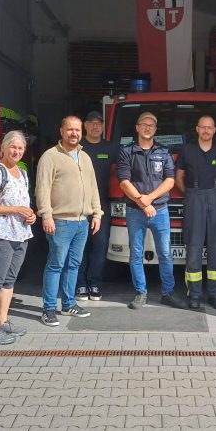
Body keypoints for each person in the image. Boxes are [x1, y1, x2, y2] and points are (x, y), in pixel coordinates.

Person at [35, 116, 103, 326]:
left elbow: (93, 187)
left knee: (73, 264)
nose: (74, 133)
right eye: (70, 130)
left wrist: (97, 213)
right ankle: (48, 309)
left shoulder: (85, 157)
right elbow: (42, 189)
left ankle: (68, 304)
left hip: (82, 221)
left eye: (77, 130)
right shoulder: (50, 156)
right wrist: (46, 215)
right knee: (56, 264)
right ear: (61, 131)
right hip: (60, 221)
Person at [117, 111, 186, 310]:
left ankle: (168, 293)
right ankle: (141, 292)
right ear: (137, 127)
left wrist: (149, 199)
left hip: (161, 210)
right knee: (136, 253)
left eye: (151, 125)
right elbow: (123, 182)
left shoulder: (164, 152)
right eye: (143, 124)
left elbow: (170, 180)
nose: (147, 128)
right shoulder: (126, 151)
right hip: (135, 211)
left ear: (155, 130)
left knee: (165, 253)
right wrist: (143, 203)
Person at [0, 130, 36, 344]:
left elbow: (23, 204)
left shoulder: (22, 173)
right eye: (13, 147)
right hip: (0, 233)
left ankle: (2, 322)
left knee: (9, 280)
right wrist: (17, 209)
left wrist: (30, 215)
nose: (17, 151)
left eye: (20, 148)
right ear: (3, 148)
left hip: (20, 233)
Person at [176, 115, 216, 310]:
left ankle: (215, 295)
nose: (206, 131)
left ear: (214, 130)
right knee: (193, 247)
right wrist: (192, 194)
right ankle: (194, 295)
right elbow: (179, 177)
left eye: (210, 127)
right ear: (197, 129)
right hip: (194, 197)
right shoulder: (187, 150)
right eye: (203, 127)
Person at [76, 111, 119, 302]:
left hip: (102, 206)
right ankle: (80, 284)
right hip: (77, 205)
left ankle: (94, 282)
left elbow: (127, 168)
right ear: (84, 126)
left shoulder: (111, 148)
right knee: (79, 246)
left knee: (100, 246)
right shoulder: (76, 147)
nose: (95, 127)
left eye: (99, 123)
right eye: (91, 123)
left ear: (103, 126)